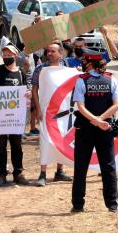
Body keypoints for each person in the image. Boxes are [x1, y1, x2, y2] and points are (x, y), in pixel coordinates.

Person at [71, 49, 118, 213]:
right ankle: (112, 205)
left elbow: (80, 107)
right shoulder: (111, 79)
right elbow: (117, 105)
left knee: (81, 167)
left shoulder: (81, 80)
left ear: (88, 63)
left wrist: (95, 121)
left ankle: (78, 205)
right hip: (105, 128)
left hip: (85, 128)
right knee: (108, 166)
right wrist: (101, 120)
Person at [0, 43, 31, 186]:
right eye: (4, 55)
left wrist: (28, 94)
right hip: (1, 118)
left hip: (15, 118)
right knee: (0, 146)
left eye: (9, 55)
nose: (6, 57)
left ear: (15, 56)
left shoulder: (20, 73)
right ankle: (1, 175)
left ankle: (18, 173)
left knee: (17, 145)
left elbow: (26, 90)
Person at [31, 41, 72, 187]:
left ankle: (59, 171)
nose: (49, 53)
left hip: (63, 112)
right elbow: (34, 90)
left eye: (53, 51)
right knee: (45, 141)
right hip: (46, 112)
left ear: (61, 54)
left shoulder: (67, 68)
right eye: (48, 51)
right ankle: (42, 173)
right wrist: (38, 109)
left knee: (61, 140)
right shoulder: (40, 69)